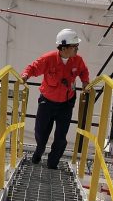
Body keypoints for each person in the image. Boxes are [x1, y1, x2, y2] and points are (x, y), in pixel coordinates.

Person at [21, 28, 90, 169]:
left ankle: (52, 164)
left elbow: (83, 71)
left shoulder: (77, 60)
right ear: (64, 48)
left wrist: (85, 82)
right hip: (47, 103)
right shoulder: (49, 59)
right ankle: (38, 152)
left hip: (66, 103)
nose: (77, 49)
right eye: (75, 46)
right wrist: (25, 76)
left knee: (60, 137)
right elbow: (33, 68)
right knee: (41, 133)